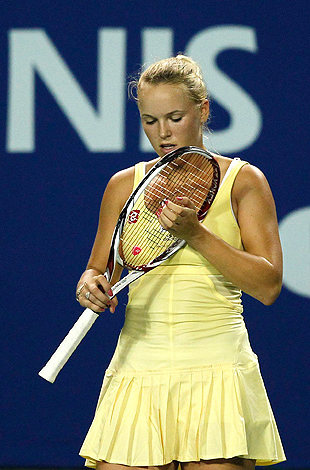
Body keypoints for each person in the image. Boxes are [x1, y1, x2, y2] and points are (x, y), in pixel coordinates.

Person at [75, 55, 285, 470]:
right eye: (150, 121)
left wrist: (197, 234)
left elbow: (268, 285)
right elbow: (100, 270)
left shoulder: (244, 181)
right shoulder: (123, 186)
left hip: (218, 368)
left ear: (202, 110)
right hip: (138, 367)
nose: (163, 133)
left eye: (174, 117)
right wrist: (89, 285)